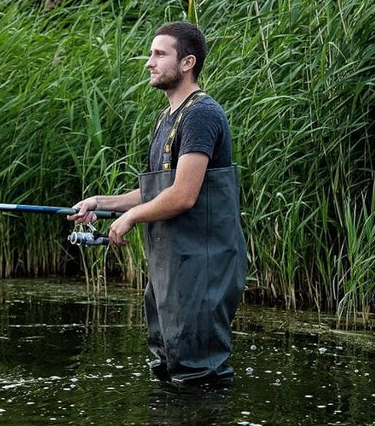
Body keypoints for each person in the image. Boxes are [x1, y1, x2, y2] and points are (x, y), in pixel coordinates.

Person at [70, 21, 247, 388]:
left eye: (159, 54)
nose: (149, 62)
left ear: (187, 62)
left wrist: (132, 218)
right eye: (151, 53)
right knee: (167, 366)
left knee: (199, 374)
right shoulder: (166, 118)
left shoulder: (201, 114)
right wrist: (101, 202)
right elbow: (156, 192)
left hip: (203, 266)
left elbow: (183, 194)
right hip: (172, 269)